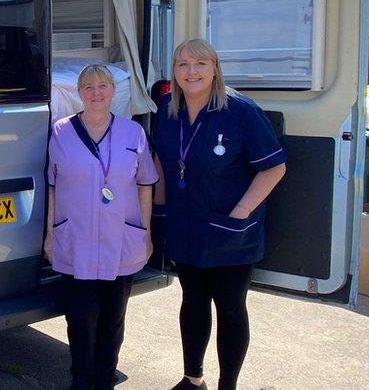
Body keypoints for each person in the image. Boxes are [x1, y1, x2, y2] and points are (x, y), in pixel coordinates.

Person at [151, 39, 287, 390]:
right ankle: (193, 379)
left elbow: (274, 168)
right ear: (174, 71)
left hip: (231, 231)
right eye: (182, 64)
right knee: (192, 301)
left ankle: (228, 385)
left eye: (200, 63)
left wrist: (240, 214)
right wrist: (159, 212)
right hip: (186, 225)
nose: (191, 71)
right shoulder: (167, 107)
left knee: (230, 308)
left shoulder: (240, 110)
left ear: (215, 67)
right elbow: (163, 164)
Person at [45, 64, 158, 390]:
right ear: (79, 93)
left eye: (103, 86)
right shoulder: (60, 132)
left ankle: (105, 378)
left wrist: (147, 233)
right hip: (76, 238)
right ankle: (80, 379)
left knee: (112, 318)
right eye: (88, 87)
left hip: (119, 239)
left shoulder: (132, 132)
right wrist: (51, 235)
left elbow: (145, 184)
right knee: (80, 316)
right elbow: (52, 185)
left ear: (113, 91)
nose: (96, 93)